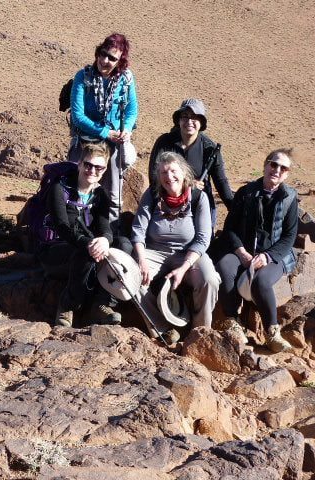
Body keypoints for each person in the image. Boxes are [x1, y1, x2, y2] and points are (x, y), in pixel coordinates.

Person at [212, 148, 298, 352]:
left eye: (283, 168)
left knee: (261, 281)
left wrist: (267, 257)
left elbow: (289, 236)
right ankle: (233, 322)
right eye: (273, 164)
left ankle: (272, 332)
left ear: (286, 174)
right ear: (266, 165)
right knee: (225, 268)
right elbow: (230, 227)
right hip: (242, 250)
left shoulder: (289, 198)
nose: (276, 170)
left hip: (275, 255)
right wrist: (241, 252)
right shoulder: (246, 192)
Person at [131, 151, 221, 340]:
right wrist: (141, 260)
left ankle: (200, 332)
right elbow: (138, 230)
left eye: (173, 171)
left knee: (209, 279)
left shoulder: (198, 198)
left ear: (184, 173)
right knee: (131, 276)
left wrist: (183, 268)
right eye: (163, 173)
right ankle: (163, 329)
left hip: (189, 255)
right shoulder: (153, 195)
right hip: (155, 252)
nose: (169, 177)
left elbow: (203, 239)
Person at [39, 143, 121, 327]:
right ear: (79, 163)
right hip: (54, 251)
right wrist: (90, 244)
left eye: (98, 167)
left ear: (105, 169)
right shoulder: (59, 189)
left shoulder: (100, 195)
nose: (92, 170)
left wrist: (106, 240)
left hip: (85, 247)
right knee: (85, 252)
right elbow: (63, 227)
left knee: (123, 245)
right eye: (88, 165)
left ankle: (102, 303)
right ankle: (67, 304)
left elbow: (104, 226)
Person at [67, 33, 138, 240]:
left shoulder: (126, 79)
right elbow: (78, 116)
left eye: (112, 58)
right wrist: (105, 132)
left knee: (113, 194)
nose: (105, 61)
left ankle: (112, 236)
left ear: (120, 62)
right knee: (75, 188)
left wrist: (127, 130)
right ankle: (72, 235)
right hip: (86, 141)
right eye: (103, 54)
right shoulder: (83, 76)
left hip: (113, 143)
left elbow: (132, 109)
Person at [149, 99, 233, 227]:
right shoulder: (164, 142)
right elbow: (154, 176)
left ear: (202, 122)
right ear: (178, 120)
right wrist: (186, 185)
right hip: (167, 203)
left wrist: (234, 208)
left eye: (195, 117)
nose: (189, 122)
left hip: (199, 204)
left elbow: (221, 181)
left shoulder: (209, 147)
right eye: (185, 117)